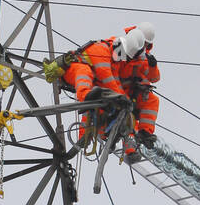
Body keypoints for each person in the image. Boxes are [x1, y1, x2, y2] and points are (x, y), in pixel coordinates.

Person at [59, 31, 139, 152]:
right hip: (73, 69)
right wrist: (119, 97)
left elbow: (115, 82)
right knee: (86, 74)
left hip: (90, 81)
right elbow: (106, 76)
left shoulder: (113, 62)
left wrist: (124, 99)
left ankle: (97, 134)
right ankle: (84, 94)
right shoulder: (101, 49)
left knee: (99, 103)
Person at [118, 21, 160, 150]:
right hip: (119, 89)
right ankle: (130, 150)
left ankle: (145, 132)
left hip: (133, 91)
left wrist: (153, 66)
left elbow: (154, 78)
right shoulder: (122, 46)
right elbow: (112, 70)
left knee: (152, 100)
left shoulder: (144, 56)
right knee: (128, 117)